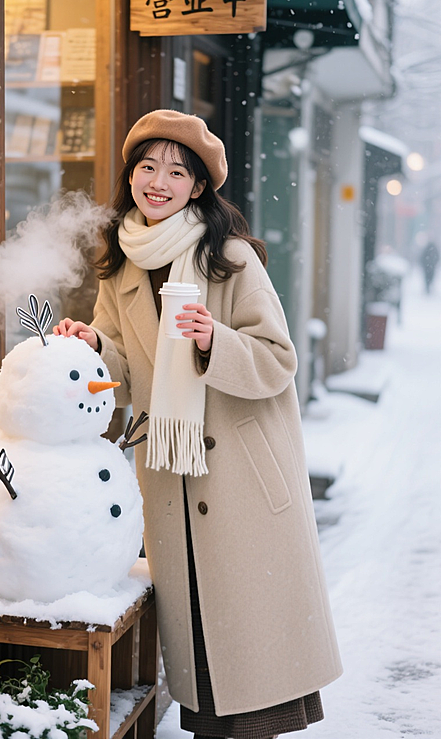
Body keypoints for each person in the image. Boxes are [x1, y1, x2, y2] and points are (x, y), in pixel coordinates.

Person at [53, 110, 342, 739]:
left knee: (252, 639)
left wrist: (217, 341)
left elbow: (278, 361)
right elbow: (127, 374)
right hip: (172, 475)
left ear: (198, 188)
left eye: (176, 172)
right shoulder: (122, 266)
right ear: (131, 176)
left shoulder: (231, 259)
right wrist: (93, 344)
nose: (159, 181)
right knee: (205, 642)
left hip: (238, 472)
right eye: (148, 167)